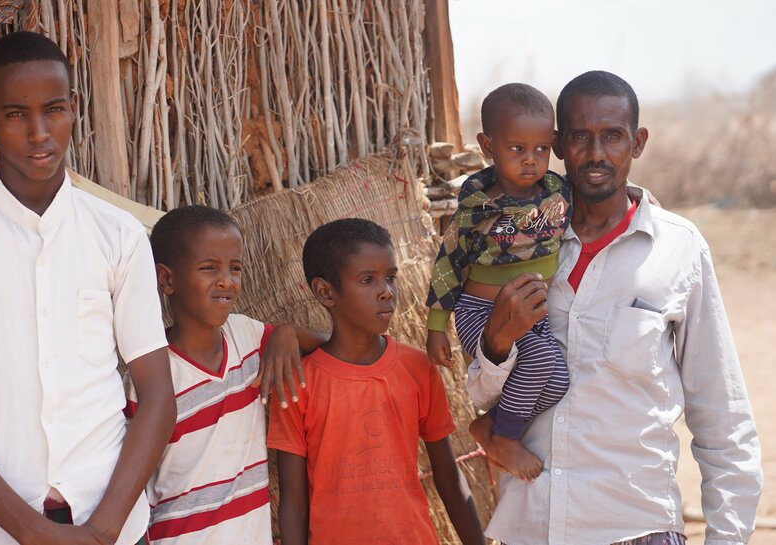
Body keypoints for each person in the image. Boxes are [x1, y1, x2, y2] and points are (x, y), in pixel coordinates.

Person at [467, 71, 763, 545]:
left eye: (613, 136)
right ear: (559, 144)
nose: (597, 153)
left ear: (638, 142)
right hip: (534, 526)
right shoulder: (510, 243)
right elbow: (481, 398)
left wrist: (727, 538)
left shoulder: (679, 250)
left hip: (637, 526)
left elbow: (721, 416)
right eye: (581, 137)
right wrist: (497, 343)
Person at [0, 31, 176, 545]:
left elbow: (158, 395)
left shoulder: (118, 236)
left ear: (74, 108)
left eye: (53, 110)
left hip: (113, 521)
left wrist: (103, 531)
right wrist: (32, 532)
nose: (38, 133)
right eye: (15, 115)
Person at [268, 218, 486, 545]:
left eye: (391, 277)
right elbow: (294, 505)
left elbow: (449, 478)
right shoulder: (299, 382)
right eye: (367, 280)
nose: (386, 292)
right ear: (325, 292)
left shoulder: (417, 368)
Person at [123, 205, 326, 544]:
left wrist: (287, 332)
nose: (226, 280)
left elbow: (332, 347)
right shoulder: (150, 378)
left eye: (235, 268)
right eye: (209, 268)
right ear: (167, 279)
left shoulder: (247, 337)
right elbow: (132, 492)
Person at [425, 83, 571, 480]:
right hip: (480, 312)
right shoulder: (478, 209)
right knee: (540, 360)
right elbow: (448, 264)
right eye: (516, 149)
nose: (530, 160)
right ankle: (504, 437)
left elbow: (598, 201)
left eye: (541, 149)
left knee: (558, 378)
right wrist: (437, 327)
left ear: (554, 144)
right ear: (488, 146)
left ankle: (491, 426)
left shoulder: (558, 197)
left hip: (533, 312)